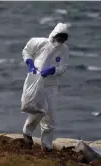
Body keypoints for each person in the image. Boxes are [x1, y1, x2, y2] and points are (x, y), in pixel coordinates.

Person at [21, 23, 69, 151]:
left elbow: (63, 67)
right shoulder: (40, 42)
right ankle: (27, 132)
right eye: (58, 38)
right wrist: (29, 62)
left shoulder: (64, 50)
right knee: (37, 110)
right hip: (36, 81)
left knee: (50, 115)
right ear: (54, 35)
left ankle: (47, 146)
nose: (60, 41)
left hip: (51, 86)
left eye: (63, 39)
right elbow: (27, 50)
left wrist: (54, 70)